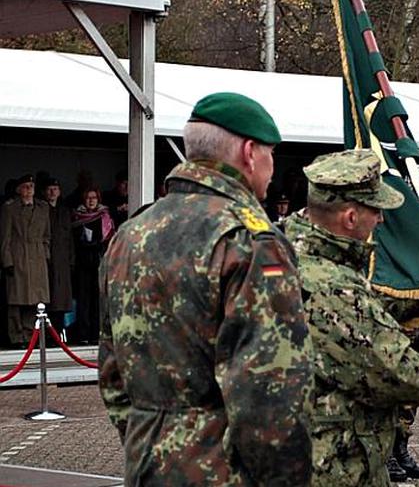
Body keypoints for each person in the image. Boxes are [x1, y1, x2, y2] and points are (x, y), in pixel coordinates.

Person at [97, 92, 314, 485]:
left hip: (146, 463)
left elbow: (113, 370)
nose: (271, 166)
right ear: (250, 152)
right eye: (270, 153)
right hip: (222, 472)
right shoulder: (250, 240)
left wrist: (152, 439)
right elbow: (270, 393)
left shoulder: (130, 235)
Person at [285, 149, 419, 487]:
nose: (382, 220)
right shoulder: (333, 286)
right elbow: (395, 371)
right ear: (351, 217)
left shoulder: (283, 253)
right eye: (376, 210)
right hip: (335, 467)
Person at [0, 174, 50, 347]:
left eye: (31, 186)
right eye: (25, 187)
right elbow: (5, 237)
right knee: (16, 300)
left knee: (34, 300)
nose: (29, 190)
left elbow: (46, 236)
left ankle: (30, 336)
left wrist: (45, 255)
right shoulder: (10, 209)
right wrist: (7, 261)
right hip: (18, 256)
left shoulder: (43, 208)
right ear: (18, 189)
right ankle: (16, 336)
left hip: (37, 257)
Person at [71, 187, 114, 344]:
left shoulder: (105, 216)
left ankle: (96, 334)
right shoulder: (76, 216)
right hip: (82, 264)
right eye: (88, 197)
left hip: (99, 262)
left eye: (94, 197)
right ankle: (82, 334)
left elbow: (110, 240)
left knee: (98, 301)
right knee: (83, 301)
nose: (91, 200)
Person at [42, 178, 75, 332]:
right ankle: (48, 334)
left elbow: (70, 238)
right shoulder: (41, 209)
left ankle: (59, 331)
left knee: (62, 300)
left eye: (55, 188)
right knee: (48, 300)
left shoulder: (64, 211)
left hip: (63, 261)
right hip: (47, 260)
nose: (52, 192)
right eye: (49, 189)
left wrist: (71, 259)